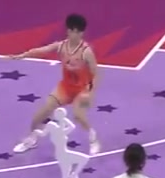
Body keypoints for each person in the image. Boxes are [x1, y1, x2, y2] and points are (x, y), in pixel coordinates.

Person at [9, 14, 101, 155]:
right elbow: (42, 51)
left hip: (81, 89)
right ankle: (32, 139)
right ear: (68, 30)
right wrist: (23, 55)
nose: (75, 35)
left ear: (82, 33)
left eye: (78, 32)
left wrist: (91, 93)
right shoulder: (61, 46)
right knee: (40, 114)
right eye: (72, 31)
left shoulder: (86, 52)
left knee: (78, 115)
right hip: (65, 87)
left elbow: (95, 73)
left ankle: (93, 139)